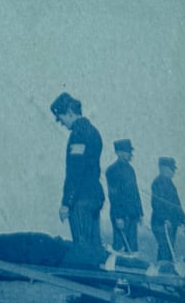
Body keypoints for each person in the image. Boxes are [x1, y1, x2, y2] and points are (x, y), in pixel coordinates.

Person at [50, 91, 105, 248]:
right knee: (95, 247)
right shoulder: (93, 131)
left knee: (83, 249)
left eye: (60, 119)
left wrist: (66, 203)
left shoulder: (78, 134)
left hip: (81, 199)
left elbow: (75, 172)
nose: (61, 123)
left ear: (69, 113)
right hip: (95, 196)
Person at [105, 138, 143, 253]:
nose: (130, 154)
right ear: (118, 152)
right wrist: (118, 217)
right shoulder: (112, 170)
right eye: (127, 151)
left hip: (132, 214)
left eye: (130, 152)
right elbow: (113, 195)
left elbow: (135, 192)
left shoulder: (130, 169)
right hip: (121, 215)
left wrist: (139, 213)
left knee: (132, 246)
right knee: (119, 246)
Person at [150, 156, 185, 264]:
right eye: (171, 169)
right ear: (163, 168)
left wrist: (183, 218)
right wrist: (164, 219)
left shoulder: (170, 184)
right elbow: (156, 204)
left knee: (168, 248)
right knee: (165, 248)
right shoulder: (157, 183)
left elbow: (176, 203)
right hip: (161, 223)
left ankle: (163, 270)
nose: (173, 172)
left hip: (171, 223)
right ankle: (162, 271)